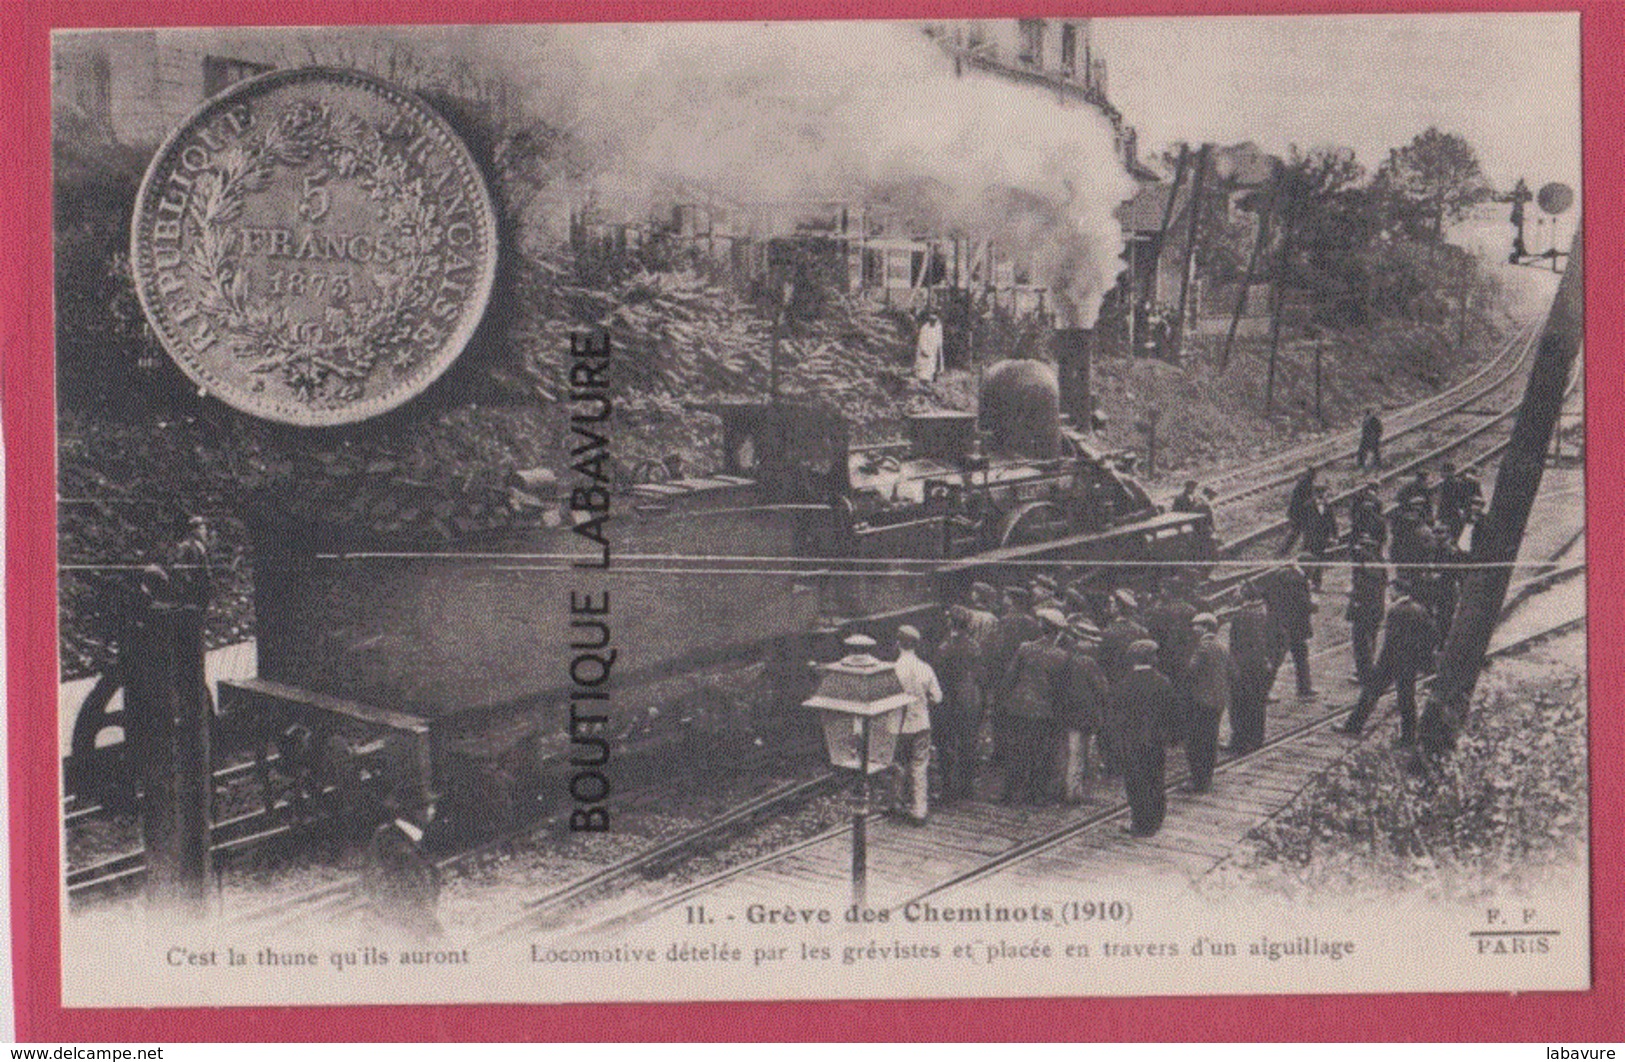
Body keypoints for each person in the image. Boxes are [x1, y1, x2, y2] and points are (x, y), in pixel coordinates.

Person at [1338, 589, 1438, 747]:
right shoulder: (1420, 610)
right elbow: (1431, 634)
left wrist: (1381, 662)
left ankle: (1353, 726)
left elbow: (1391, 640)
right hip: (1409, 662)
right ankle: (1408, 737)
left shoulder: (1396, 611)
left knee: (1371, 691)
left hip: (1391, 661)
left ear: (1397, 593)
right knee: (1406, 699)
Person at [1000, 609, 1068, 805]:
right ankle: (1035, 795)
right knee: (1041, 753)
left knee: (1017, 751)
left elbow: (1009, 678)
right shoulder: (1061, 656)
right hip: (1044, 711)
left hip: (1019, 706)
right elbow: (1061, 689)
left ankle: (1010, 794)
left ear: (1042, 627)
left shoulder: (1025, 648)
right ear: (1058, 632)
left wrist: (1005, 701)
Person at [1111, 640, 1174, 836]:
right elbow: (1171, 713)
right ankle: (1155, 820)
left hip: (1132, 742)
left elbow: (1116, 716)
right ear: (1152, 658)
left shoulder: (1124, 684)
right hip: (1155, 741)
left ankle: (1140, 824)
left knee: (1136, 782)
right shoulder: (1163, 682)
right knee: (1156, 779)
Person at [363, 789, 443, 939]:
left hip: (404, 918)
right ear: (417, 812)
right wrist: (432, 926)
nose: (433, 811)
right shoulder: (396, 843)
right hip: (402, 922)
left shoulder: (402, 836)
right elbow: (410, 890)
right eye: (430, 807)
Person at [891, 625, 943, 823]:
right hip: (921, 723)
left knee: (898, 764)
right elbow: (937, 698)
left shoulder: (894, 669)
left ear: (898, 644)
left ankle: (897, 803)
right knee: (920, 765)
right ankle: (919, 809)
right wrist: (922, 702)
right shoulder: (925, 668)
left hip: (898, 725)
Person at [932, 608, 984, 805]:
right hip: (970, 699)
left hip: (950, 702)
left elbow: (939, 676)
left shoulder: (945, 648)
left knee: (946, 744)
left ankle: (947, 788)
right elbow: (981, 675)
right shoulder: (974, 646)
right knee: (968, 742)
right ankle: (966, 786)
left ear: (950, 623)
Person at [1055, 618, 1109, 804]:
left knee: (1069, 753)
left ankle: (1064, 788)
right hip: (1085, 715)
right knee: (1080, 755)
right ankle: (1074, 793)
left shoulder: (1063, 658)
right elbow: (1102, 689)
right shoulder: (1088, 663)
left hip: (1066, 713)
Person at [1183, 613, 1231, 793]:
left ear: (1205, 627)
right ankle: (1207, 778)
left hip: (1201, 701)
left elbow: (1191, 671)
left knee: (1196, 742)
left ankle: (1198, 782)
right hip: (1218, 702)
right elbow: (1232, 672)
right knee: (1210, 741)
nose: (1193, 629)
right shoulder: (1222, 646)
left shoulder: (1203, 648)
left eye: (1195, 626)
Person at [1227, 582, 1273, 752]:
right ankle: (1256, 738)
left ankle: (1239, 742)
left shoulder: (1242, 615)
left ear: (1244, 595)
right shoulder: (1264, 611)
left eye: (1237, 593)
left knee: (1239, 704)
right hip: (1260, 665)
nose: (1234, 596)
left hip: (1244, 665)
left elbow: (1237, 643)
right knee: (1257, 703)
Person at [1259, 561, 1316, 698]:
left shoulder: (1279, 575)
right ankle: (1304, 690)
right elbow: (1303, 604)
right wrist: (1314, 605)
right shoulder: (1298, 580)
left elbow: (1266, 595)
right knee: (1297, 659)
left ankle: (1264, 692)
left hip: (1279, 624)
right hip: (1294, 627)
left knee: (1275, 660)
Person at [1346, 539, 1388, 689]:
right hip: (1374, 611)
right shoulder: (1378, 565)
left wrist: (1353, 594)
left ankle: (1364, 674)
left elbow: (1363, 591)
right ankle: (1367, 671)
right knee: (1370, 640)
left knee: (1361, 642)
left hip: (1364, 612)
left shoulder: (1367, 569)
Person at [1302, 487, 1339, 590]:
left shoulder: (1328, 505)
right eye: (1319, 492)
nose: (1321, 495)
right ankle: (1306, 584)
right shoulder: (1308, 506)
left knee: (1320, 561)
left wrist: (1335, 536)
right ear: (1315, 493)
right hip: (1311, 538)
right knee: (1309, 561)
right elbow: (1303, 523)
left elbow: (1333, 522)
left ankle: (1317, 584)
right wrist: (1307, 537)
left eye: (1323, 492)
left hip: (1322, 539)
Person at [1280, 465, 1319, 556]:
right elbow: (1304, 499)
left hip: (1298, 511)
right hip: (1299, 512)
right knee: (1299, 531)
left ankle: (1286, 550)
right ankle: (1286, 550)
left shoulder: (1304, 482)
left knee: (1300, 532)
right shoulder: (1306, 483)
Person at [1348, 482, 1387, 555]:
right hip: (1373, 530)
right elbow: (1379, 516)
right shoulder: (1377, 501)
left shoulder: (1359, 498)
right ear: (1377, 490)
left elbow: (1352, 514)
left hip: (1360, 529)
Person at [914, 310, 944, 381]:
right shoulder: (925, 328)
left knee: (932, 364)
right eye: (931, 320)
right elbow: (921, 341)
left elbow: (939, 340)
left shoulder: (938, 327)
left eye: (935, 320)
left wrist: (938, 349)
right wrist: (924, 350)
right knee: (924, 368)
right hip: (925, 350)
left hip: (933, 349)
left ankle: (933, 376)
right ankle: (923, 379)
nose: (933, 322)